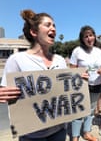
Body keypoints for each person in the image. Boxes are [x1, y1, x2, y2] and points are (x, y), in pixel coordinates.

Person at [0, 9, 67, 141]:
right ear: (34, 32)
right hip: (32, 135)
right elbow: (5, 91)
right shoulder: (17, 59)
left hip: (59, 130)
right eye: (48, 25)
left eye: (54, 25)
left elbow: (65, 89)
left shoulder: (60, 59)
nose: (53, 28)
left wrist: (80, 81)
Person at [70, 25, 101, 141]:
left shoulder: (99, 51)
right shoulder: (77, 51)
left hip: (96, 84)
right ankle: (75, 137)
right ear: (82, 39)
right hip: (81, 86)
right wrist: (78, 74)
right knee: (79, 111)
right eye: (86, 36)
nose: (89, 38)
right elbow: (71, 70)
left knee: (91, 111)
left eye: (91, 35)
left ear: (94, 36)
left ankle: (86, 132)